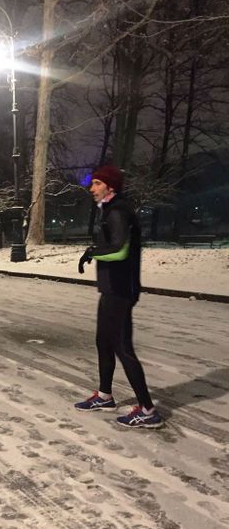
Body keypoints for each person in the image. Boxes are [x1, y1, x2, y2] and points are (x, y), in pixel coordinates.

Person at [74, 165, 163, 429]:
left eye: (98, 183)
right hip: (111, 288)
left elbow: (120, 250)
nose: (92, 188)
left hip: (121, 289)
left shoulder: (118, 211)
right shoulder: (110, 209)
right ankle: (105, 396)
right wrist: (95, 250)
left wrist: (93, 251)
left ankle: (147, 410)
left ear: (110, 186)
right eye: (92, 183)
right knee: (103, 342)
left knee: (123, 348)